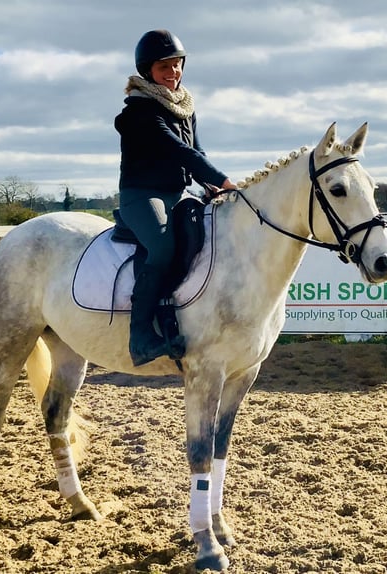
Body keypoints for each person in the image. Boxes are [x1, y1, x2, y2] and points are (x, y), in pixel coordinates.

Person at [115, 29, 238, 367]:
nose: (173, 73)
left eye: (177, 65)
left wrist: (210, 185)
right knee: (164, 247)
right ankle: (141, 336)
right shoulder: (140, 110)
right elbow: (178, 150)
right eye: (163, 67)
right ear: (147, 71)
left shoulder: (185, 105)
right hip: (142, 195)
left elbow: (197, 150)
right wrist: (225, 181)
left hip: (179, 193)